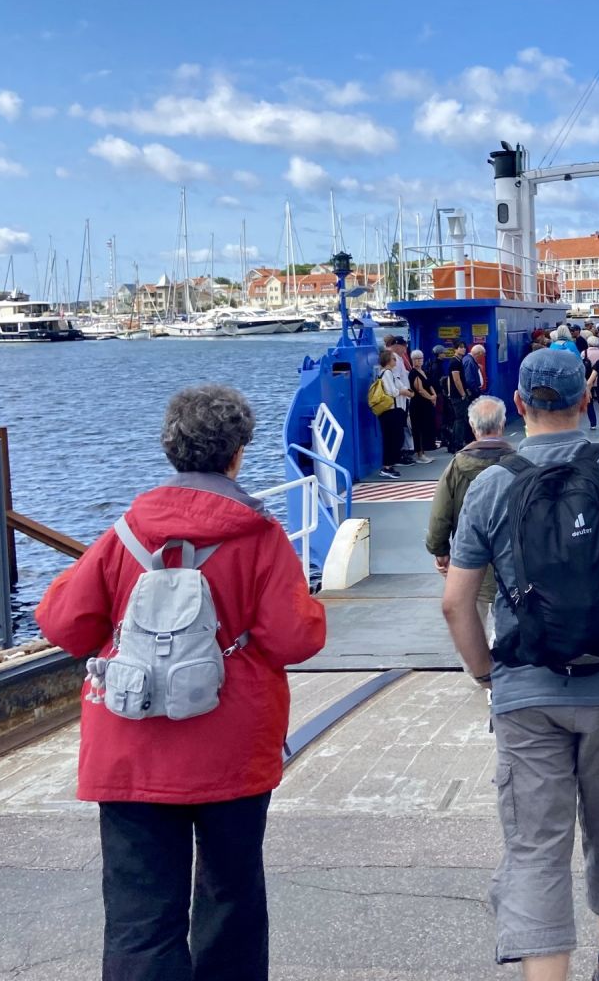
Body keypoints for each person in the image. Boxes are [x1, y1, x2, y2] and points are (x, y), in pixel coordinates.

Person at [35, 385, 327, 981]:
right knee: (230, 900)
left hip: (130, 745)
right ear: (237, 453)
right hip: (231, 747)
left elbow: (62, 623)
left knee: (140, 916)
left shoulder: (127, 532)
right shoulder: (260, 536)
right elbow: (294, 638)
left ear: (171, 449)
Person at [441, 350, 599, 981]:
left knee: (536, 846)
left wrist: (487, 675)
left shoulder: (490, 484)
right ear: (585, 400)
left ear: (520, 405)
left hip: (527, 689)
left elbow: (456, 603)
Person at [426, 395, 513, 629]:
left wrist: (440, 551)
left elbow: (440, 514)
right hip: (513, 568)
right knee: (512, 632)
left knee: (474, 629)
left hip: (471, 565)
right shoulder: (520, 464)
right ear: (502, 424)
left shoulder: (456, 466)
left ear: (473, 427)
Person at [375, 346, 410, 478]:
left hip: (391, 412)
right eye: (393, 359)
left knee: (393, 438)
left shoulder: (387, 373)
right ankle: (387, 466)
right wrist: (404, 392)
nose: (396, 361)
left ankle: (389, 464)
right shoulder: (387, 373)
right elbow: (392, 392)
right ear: (388, 361)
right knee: (393, 439)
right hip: (390, 411)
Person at [408, 349, 438, 465]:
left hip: (426, 404)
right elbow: (420, 389)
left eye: (420, 358)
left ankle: (423, 452)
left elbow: (428, 384)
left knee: (424, 428)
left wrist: (434, 395)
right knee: (418, 429)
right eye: (416, 359)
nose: (419, 361)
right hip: (418, 404)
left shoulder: (423, 371)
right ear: (412, 360)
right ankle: (419, 454)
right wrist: (431, 398)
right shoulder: (413, 373)